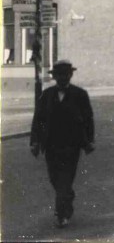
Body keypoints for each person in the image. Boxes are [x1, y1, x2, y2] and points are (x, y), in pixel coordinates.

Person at [30, 60, 95, 228]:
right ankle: (67, 197)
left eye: (65, 74)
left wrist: (90, 140)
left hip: (72, 145)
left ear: (70, 75)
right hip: (51, 145)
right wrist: (35, 142)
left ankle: (62, 214)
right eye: (59, 75)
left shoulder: (80, 94)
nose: (62, 78)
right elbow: (38, 119)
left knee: (65, 179)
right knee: (54, 179)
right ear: (54, 77)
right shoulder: (46, 95)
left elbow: (88, 119)